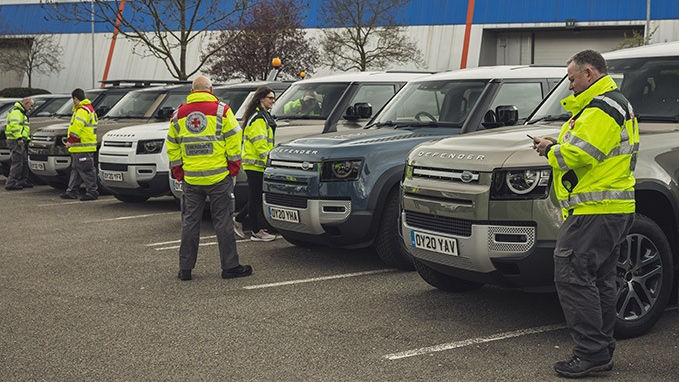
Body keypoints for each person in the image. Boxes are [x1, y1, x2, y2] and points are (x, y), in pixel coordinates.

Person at [532, 49, 639, 378]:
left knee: (572, 276)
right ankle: (601, 350)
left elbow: (581, 154)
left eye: (573, 78)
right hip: (610, 208)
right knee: (600, 280)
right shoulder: (610, 104)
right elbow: (593, 148)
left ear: (590, 73)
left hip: (595, 210)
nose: (569, 85)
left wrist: (550, 149)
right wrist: (558, 143)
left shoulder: (602, 107)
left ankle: (591, 353)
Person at [166, 76, 252, 281]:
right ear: (210, 89)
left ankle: (185, 269)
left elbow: (172, 145)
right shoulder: (222, 110)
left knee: (189, 223)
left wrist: (179, 170)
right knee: (222, 222)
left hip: (191, 179)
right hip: (218, 176)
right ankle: (230, 267)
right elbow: (233, 139)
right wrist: (233, 167)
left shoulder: (178, 114)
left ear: (192, 91)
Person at [234, 86, 277, 242]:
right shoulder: (259, 118)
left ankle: (240, 221)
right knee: (255, 198)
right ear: (261, 99)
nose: (273, 101)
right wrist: (270, 160)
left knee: (256, 196)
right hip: (256, 164)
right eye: (270, 98)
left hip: (256, 164)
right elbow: (260, 143)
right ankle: (255, 231)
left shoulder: (261, 116)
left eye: (273, 98)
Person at [61, 88, 99, 201]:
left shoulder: (82, 110)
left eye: (73, 99)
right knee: (77, 169)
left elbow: (77, 127)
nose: (73, 101)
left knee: (86, 169)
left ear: (75, 98)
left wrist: (70, 141)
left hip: (82, 145)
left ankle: (92, 191)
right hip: (83, 145)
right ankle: (72, 191)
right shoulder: (88, 109)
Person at [4, 97, 34, 190]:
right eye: (31, 105)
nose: (31, 108)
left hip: (20, 140)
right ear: (26, 103)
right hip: (16, 140)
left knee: (23, 161)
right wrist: (19, 138)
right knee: (17, 162)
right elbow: (14, 126)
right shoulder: (17, 112)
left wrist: (26, 138)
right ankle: (11, 183)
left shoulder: (21, 112)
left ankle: (22, 181)